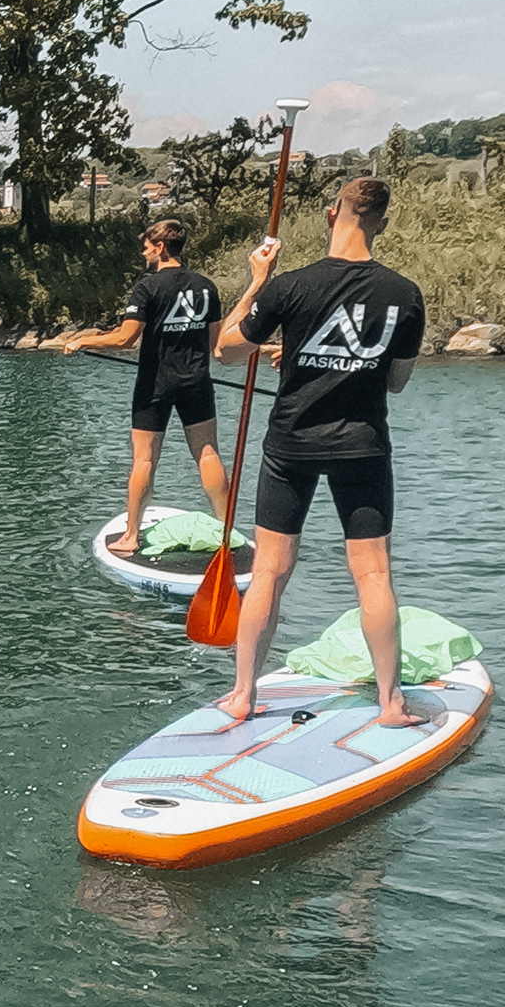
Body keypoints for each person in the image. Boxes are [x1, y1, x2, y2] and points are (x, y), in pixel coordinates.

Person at [212, 176, 430, 731]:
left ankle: (242, 697)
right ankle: (392, 705)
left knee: (269, 571)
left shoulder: (290, 285)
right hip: (362, 446)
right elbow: (397, 381)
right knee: (373, 575)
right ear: (381, 222)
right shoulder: (404, 293)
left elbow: (228, 352)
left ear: (332, 215)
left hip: (291, 446)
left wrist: (256, 281)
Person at [53, 216, 231, 556]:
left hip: (155, 384)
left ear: (161, 247)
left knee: (144, 460)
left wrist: (84, 341)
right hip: (196, 380)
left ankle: (131, 536)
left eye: (147, 247)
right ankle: (225, 533)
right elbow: (215, 343)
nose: (144, 253)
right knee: (208, 454)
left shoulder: (147, 288)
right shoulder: (207, 286)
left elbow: (126, 338)